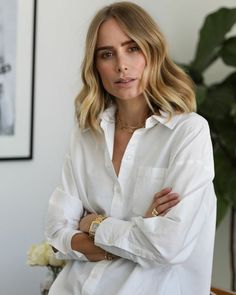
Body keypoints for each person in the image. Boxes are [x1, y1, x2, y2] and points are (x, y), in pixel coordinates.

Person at [46, 2, 216, 295]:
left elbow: (167, 245)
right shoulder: (85, 136)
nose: (121, 65)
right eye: (107, 54)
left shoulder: (188, 132)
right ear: (96, 65)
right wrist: (137, 230)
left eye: (132, 48)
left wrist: (95, 224)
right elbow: (57, 235)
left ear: (153, 51)